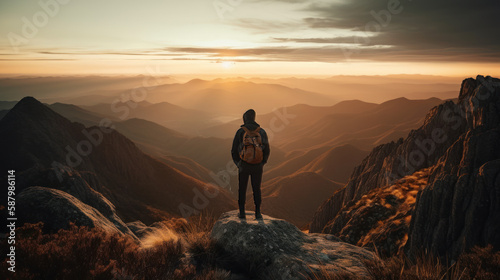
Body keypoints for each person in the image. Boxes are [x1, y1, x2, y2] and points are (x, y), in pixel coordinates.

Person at [231, 109, 270, 219]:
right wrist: (262, 162)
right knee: (256, 189)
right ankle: (257, 213)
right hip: (257, 165)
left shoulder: (240, 132)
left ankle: (242, 212)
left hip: (244, 165)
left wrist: (238, 164)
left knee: (242, 188)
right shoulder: (261, 131)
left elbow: (234, 150)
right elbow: (267, 149)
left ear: (245, 119)